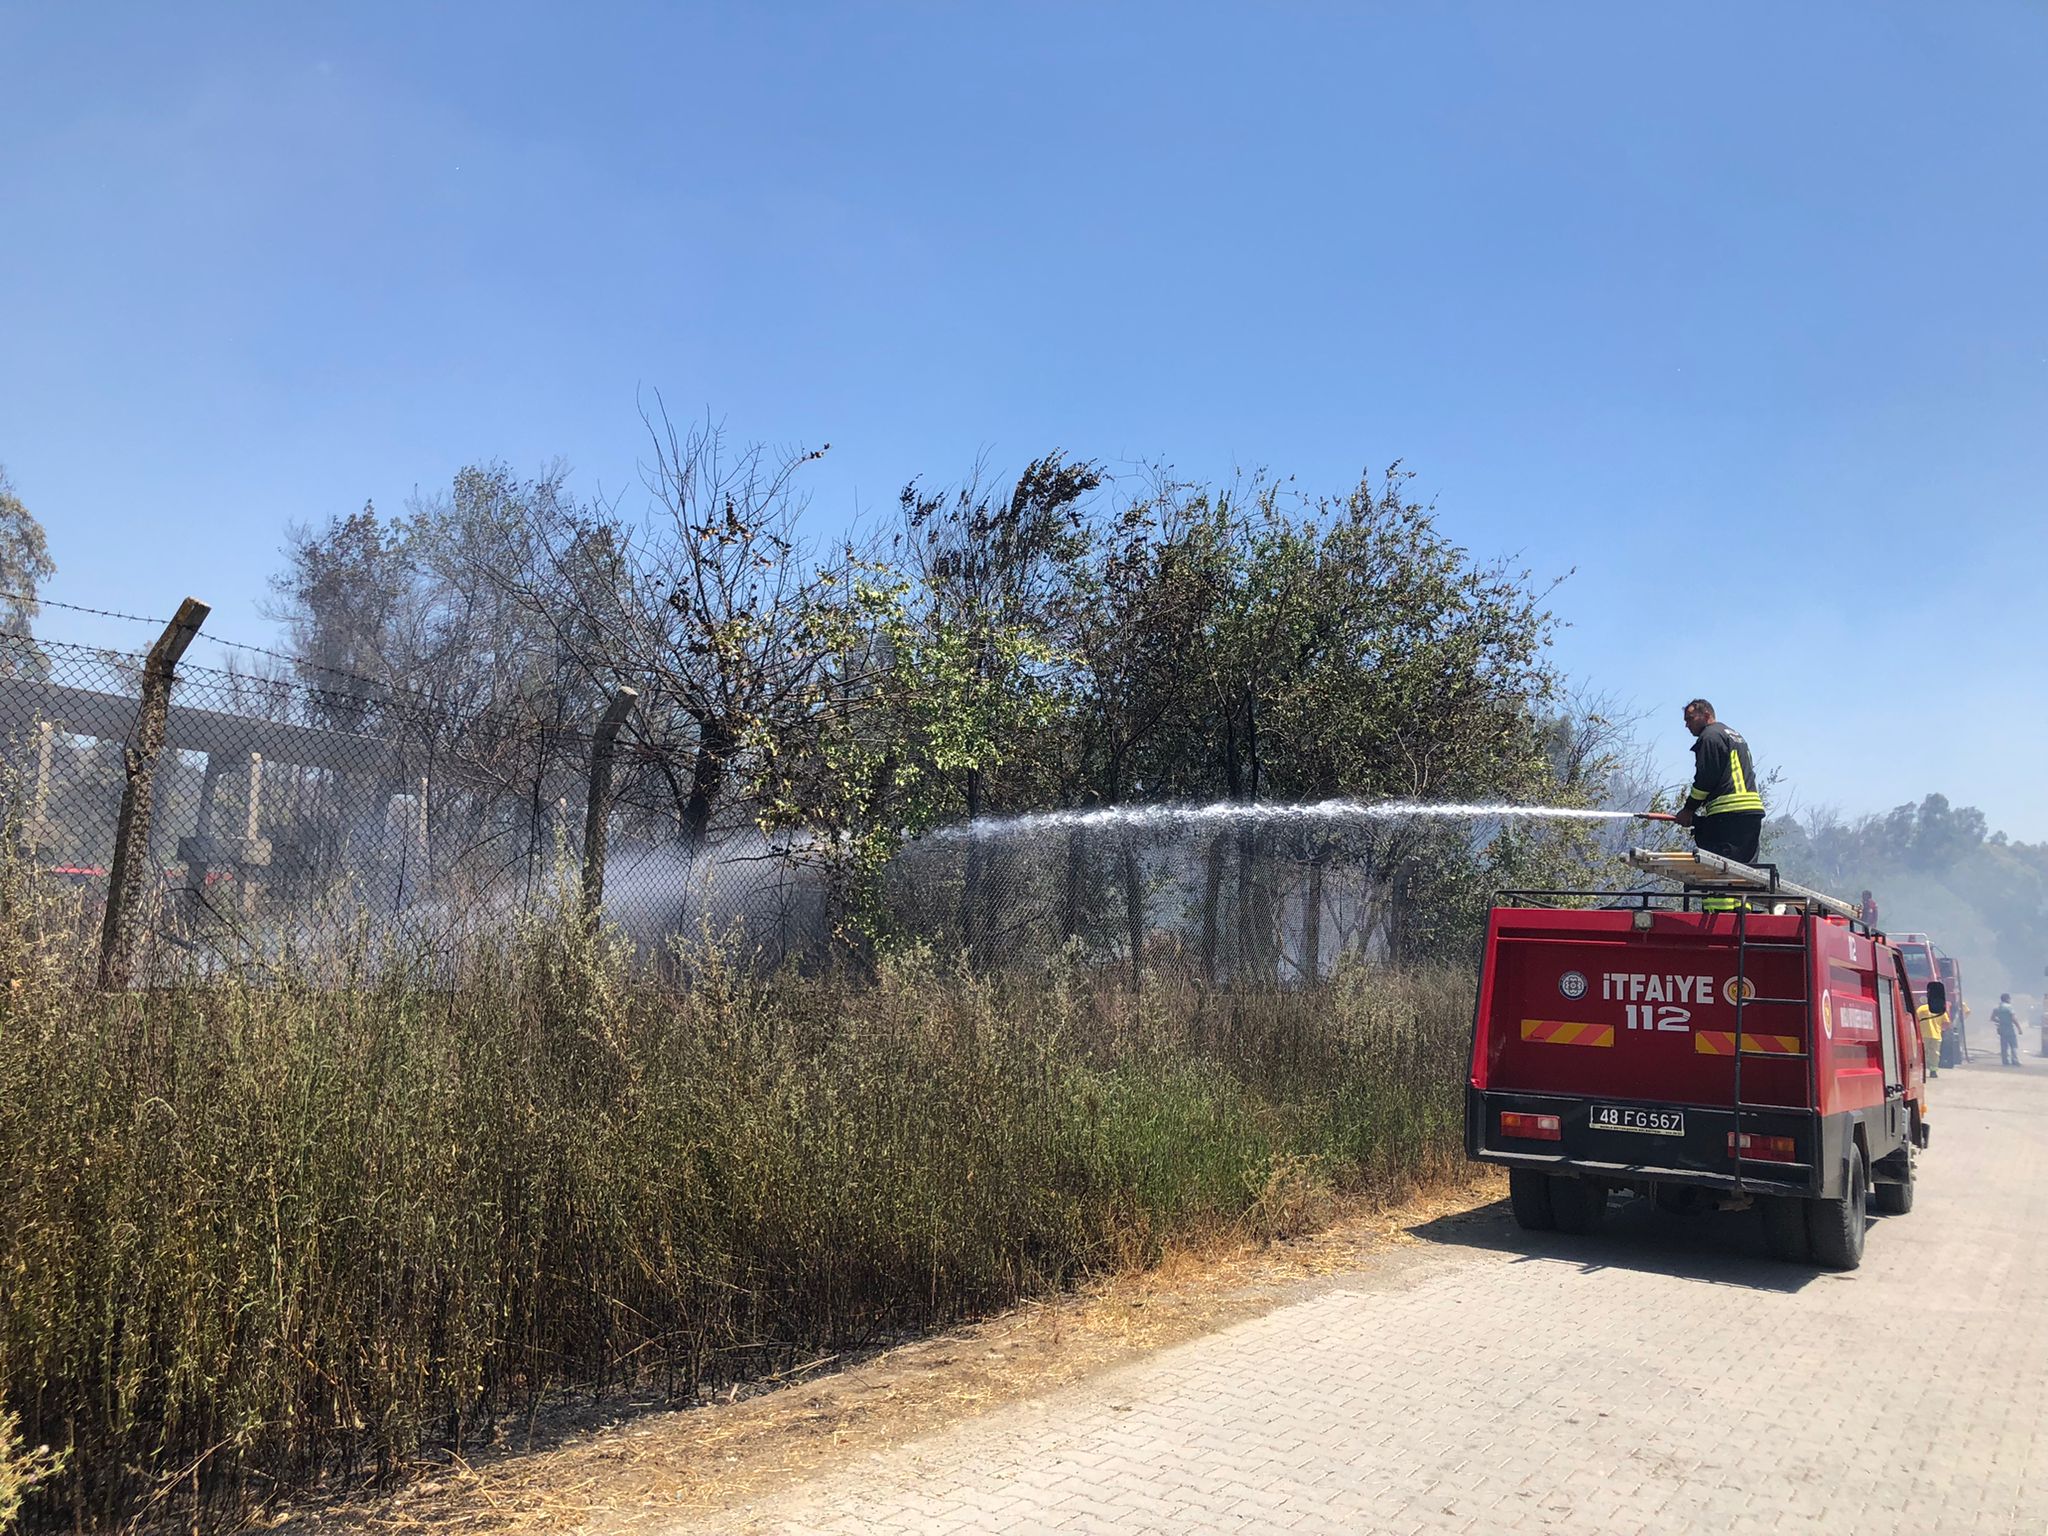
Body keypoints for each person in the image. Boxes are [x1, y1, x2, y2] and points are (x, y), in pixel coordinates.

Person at [1671, 699, 1766, 912]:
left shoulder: (1710, 736)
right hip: (1751, 813)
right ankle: (1741, 915)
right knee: (1743, 872)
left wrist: (1688, 810)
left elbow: (1705, 779)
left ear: (1706, 715)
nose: (1686, 725)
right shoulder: (1733, 735)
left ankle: (1719, 918)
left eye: (1690, 719)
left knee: (1719, 869)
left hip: (1728, 814)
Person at [1993, 994, 2023, 1067]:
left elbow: (1992, 1018)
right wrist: (2019, 1028)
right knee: (2013, 1045)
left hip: (2002, 1029)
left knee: (2004, 1046)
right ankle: (2015, 1060)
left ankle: (2005, 1061)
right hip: (2009, 1028)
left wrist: (2000, 1021)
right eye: (2009, 999)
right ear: (2007, 999)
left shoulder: (1997, 1008)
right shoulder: (2009, 1007)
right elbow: (2013, 1018)